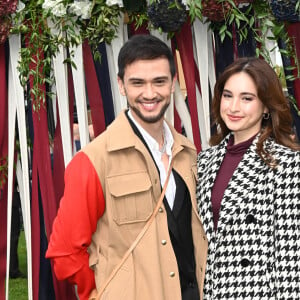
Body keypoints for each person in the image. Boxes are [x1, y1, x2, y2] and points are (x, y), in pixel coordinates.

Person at [46, 34, 207, 300]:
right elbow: (65, 253)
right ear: (121, 85)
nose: (150, 93)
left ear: (173, 83)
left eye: (159, 81)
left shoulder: (188, 153)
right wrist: (104, 292)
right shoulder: (94, 160)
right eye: (137, 83)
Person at [196, 57, 300, 299]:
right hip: (213, 291)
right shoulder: (204, 161)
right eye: (228, 95)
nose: (233, 107)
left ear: (266, 106)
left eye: (247, 98)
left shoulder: (287, 164)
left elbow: (291, 258)